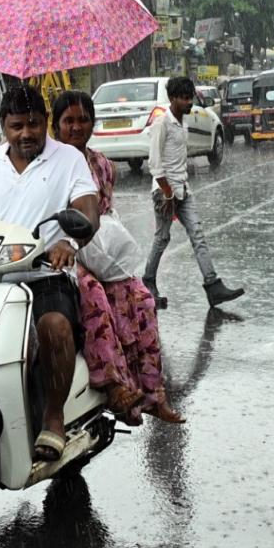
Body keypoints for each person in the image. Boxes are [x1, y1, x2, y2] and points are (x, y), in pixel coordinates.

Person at [0, 85, 101, 462]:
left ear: (45, 122)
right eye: (16, 126)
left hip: (46, 275)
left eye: (32, 124)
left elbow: (88, 211)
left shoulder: (69, 160)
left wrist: (69, 244)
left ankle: (54, 417)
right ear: (3, 127)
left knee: (56, 327)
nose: (25, 133)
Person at [51, 90, 184, 425]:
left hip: (99, 252)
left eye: (83, 119)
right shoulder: (49, 165)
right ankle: (112, 384)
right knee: (93, 296)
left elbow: (104, 217)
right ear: (56, 126)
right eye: (68, 121)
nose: (76, 127)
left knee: (141, 299)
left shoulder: (103, 166)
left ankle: (153, 394)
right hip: (61, 255)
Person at [142, 76, 244, 308]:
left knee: (197, 234)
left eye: (191, 98)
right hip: (164, 191)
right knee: (162, 238)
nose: (189, 103)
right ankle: (148, 281)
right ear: (172, 98)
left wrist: (180, 190)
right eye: (184, 98)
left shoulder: (183, 122)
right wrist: (168, 194)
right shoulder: (162, 124)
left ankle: (213, 285)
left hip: (182, 189)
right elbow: (155, 165)